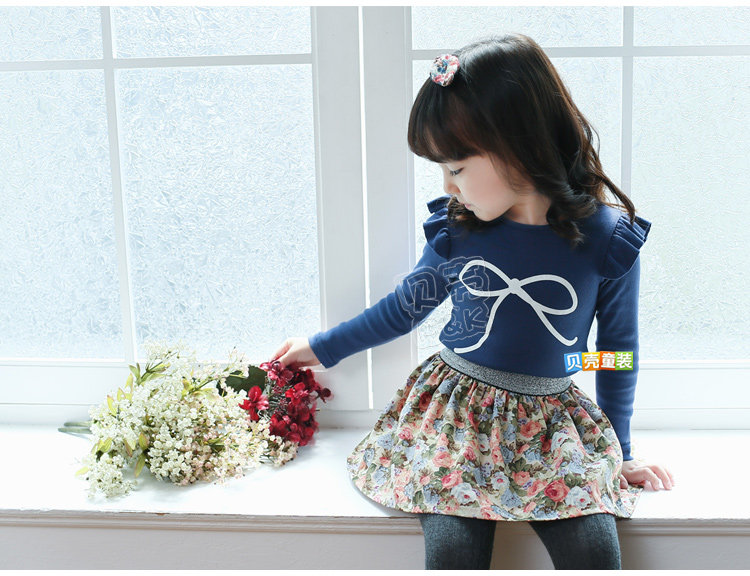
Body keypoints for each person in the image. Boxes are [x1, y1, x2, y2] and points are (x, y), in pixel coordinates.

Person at [270, 33, 675, 570]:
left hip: (552, 431)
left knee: (596, 554)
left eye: (456, 168)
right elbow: (405, 308)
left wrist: (620, 451)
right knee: (454, 553)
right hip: (456, 421)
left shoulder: (607, 239)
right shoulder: (459, 232)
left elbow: (618, 352)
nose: (448, 186)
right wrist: (321, 347)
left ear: (518, 145)